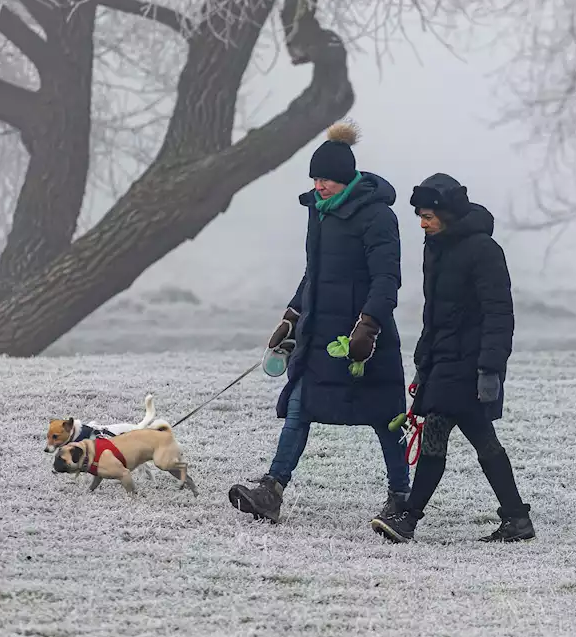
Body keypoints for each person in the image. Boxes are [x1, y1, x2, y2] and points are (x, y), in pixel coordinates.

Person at [228, 121, 410, 523]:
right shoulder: (319, 212)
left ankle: (401, 496)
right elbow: (315, 272)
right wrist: (293, 315)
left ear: (345, 179)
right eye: (314, 178)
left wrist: (369, 325)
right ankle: (271, 489)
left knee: (386, 416)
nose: (318, 185)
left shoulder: (378, 217)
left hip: (364, 339)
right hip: (320, 334)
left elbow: (387, 278)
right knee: (299, 405)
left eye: (325, 179)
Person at [371, 173, 535, 543]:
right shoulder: (436, 247)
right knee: (482, 440)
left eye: (428, 216)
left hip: (471, 365)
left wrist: (490, 369)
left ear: (447, 212)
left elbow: (499, 314)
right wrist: (423, 360)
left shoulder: (483, 250)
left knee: (437, 435)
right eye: (420, 217)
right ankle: (516, 518)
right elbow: (434, 313)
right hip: (444, 362)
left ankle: (409, 518)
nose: (422, 223)